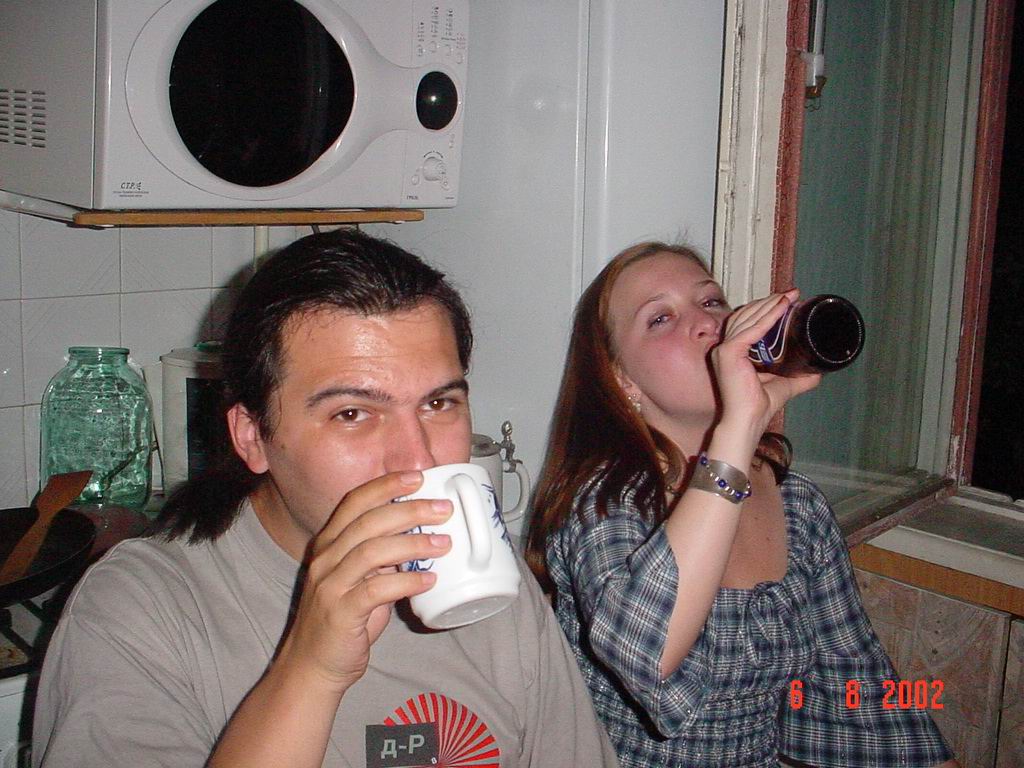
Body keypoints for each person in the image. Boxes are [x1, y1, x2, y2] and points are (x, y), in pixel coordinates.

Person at [32, 229, 618, 768]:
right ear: (252, 437)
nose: (417, 460)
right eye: (353, 414)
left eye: (439, 403)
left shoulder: (486, 579)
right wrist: (309, 669)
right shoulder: (139, 610)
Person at [525, 242, 957, 768]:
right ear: (623, 380)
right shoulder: (601, 503)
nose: (706, 325)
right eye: (660, 318)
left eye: (711, 301)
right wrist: (738, 430)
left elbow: (859, 683)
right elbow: (648, 655)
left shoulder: (799, 508)